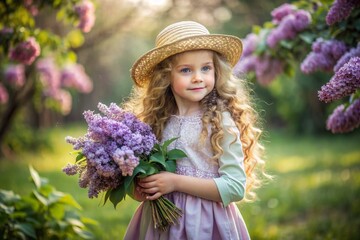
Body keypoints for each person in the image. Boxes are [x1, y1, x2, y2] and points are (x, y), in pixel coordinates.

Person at [122, 21, 266, 240]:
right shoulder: (155, 121)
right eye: (186, 70)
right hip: (161, 224)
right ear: (165, 77)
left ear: (216, 71)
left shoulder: (219, 122)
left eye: (206, 68)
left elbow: (235, 187)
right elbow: (143, 183)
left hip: (206, 223)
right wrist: (142, 188)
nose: (198, 77)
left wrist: (175, 182)